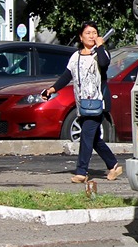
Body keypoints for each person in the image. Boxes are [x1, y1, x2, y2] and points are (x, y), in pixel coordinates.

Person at [42, 22, 122, 184]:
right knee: (93, 139)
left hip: (97, 103)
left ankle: (81, 171)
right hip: (82, 104)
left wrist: (100, 46)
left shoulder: (101, 53)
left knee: (86, 135)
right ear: (81, 36)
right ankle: (113, 165)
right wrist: (52, 89)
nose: (92, 36)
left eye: (94, 33)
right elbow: (66, 76)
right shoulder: (76, 57)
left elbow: (104, 64)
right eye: (88, 33)